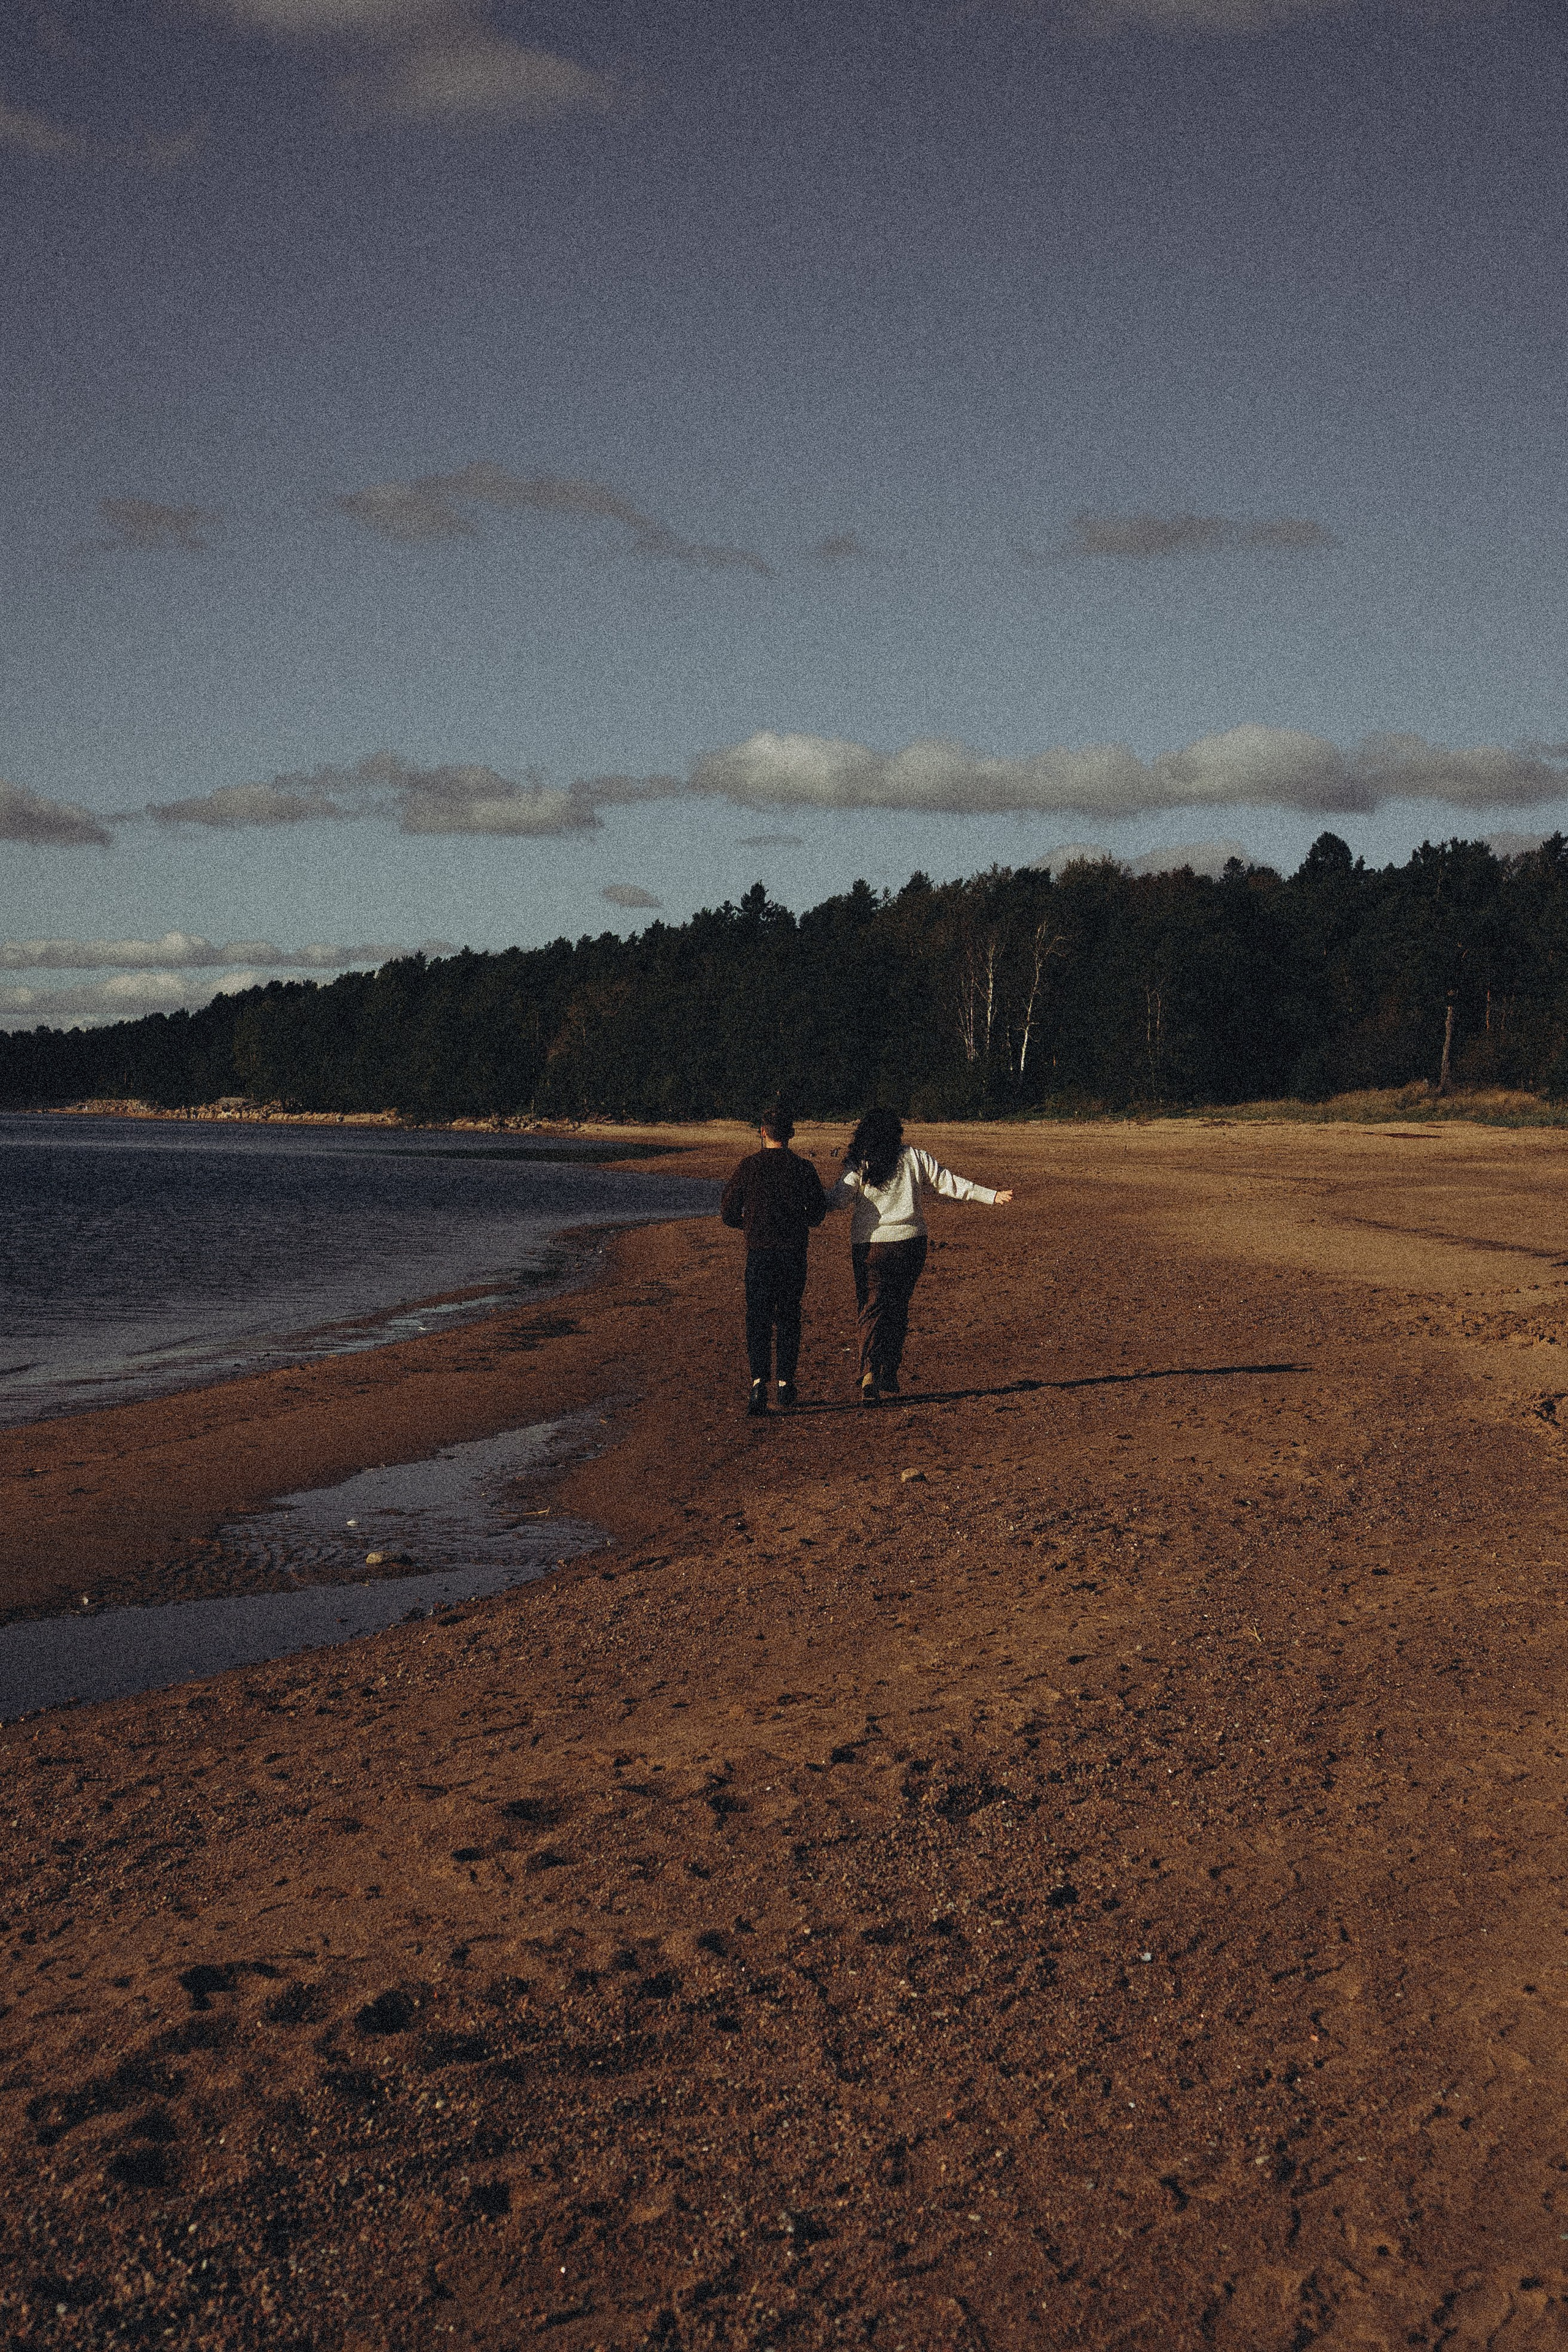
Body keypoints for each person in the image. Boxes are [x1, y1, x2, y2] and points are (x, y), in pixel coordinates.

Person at [825, 1108, 1013, 1404]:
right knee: (899, 1306)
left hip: (871, 1247)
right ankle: (889, 1371)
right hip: (911, 1244)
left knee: (871, 1307)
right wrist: (990, 1195)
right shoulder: (914, 1157)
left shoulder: (859, 1164)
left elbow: (837, 1200)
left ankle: (869, 1372)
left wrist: (803, 1202)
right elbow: (949, 1182)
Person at [720, 1101, 828, 1416]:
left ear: (763, 1132)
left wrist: (749, 1225)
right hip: (793, 1252)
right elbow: (818, 1214)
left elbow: (727, 1213)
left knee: (758, 1318)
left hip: (760, 1253)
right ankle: (785, 1383)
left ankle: (758, 1384)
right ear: (791, 1134)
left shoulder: (749, 1166)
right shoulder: (803, 1168)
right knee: (789, 1315)